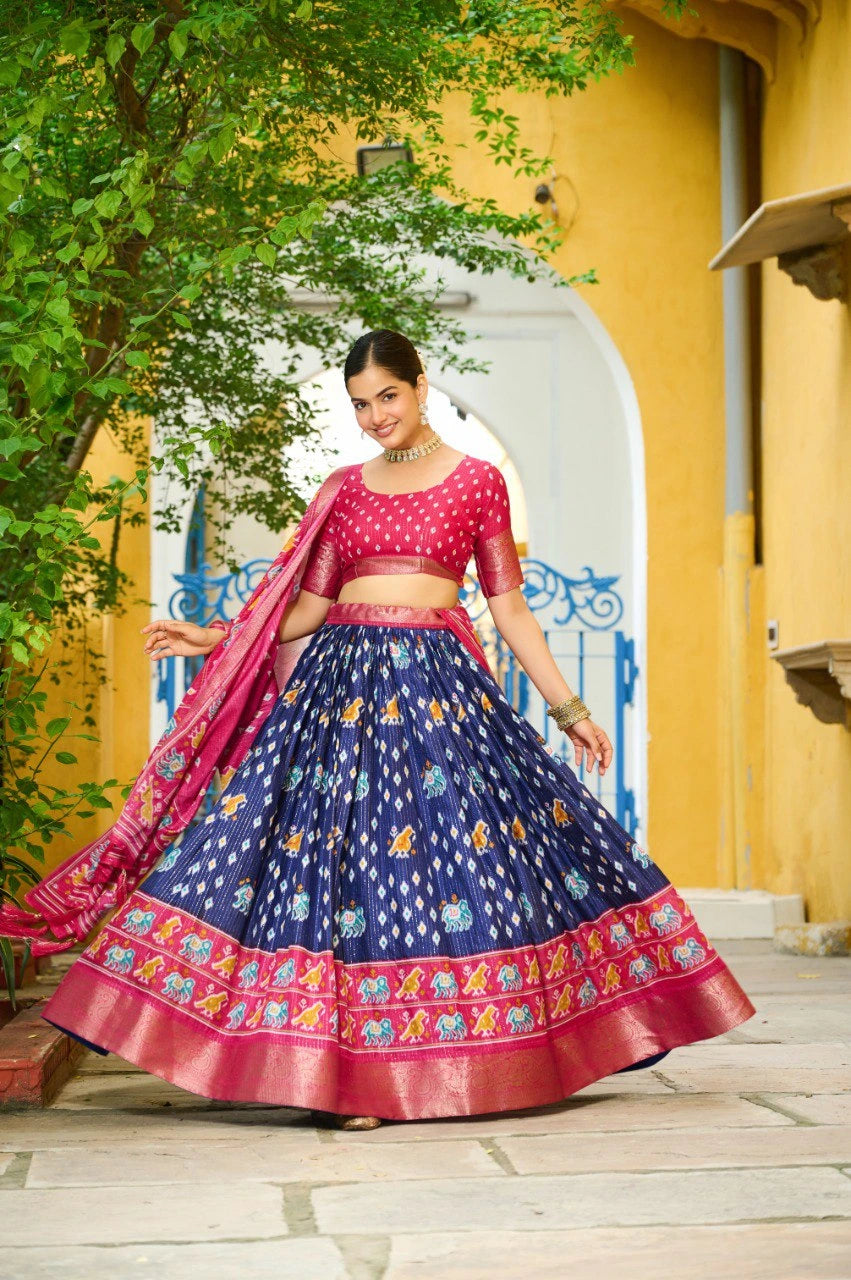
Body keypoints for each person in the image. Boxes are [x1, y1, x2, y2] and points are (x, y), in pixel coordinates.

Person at [7, 329, 756, 1130]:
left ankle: (469, 1057)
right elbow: (305, 609)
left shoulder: (476, 484)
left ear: (421, 385)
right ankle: (344, 1079)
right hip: (340, 693)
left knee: (473, 863)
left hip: (439, 696)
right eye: (361, 404)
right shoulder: (342, 489)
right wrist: (217, 634)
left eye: (387, 397)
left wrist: (567, 707)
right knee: (334, 873)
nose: (375, 417)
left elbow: (509, 608)